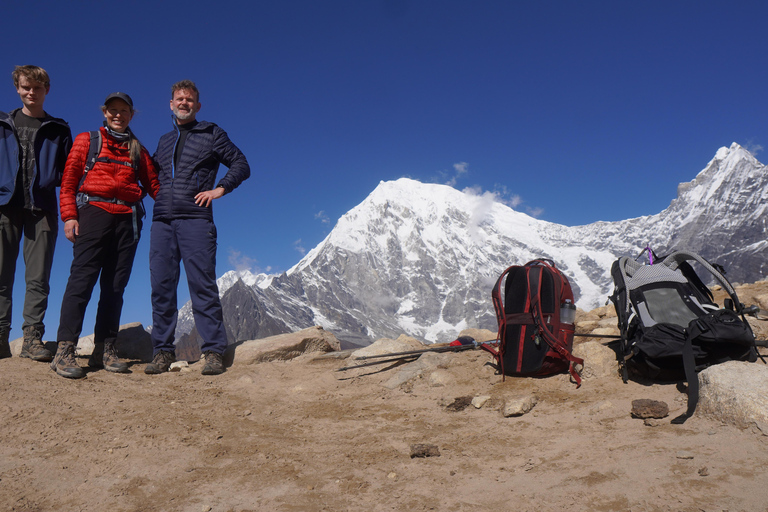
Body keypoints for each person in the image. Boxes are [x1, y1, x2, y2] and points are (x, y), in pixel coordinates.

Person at [50, 92, 160, 379]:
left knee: (115, 286)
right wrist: (69, 216)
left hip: (128, 219)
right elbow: (69, 181)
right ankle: (65, 349)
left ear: (131, 114)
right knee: (81, 281)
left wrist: (180, 206)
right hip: (93, 214)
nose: (118, 115)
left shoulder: (138, 149)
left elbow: (154, 186)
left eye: (124, 110)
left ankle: (105, 349)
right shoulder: (87, 141)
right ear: (104, 112)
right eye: (113, 110)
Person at [146, 80, 250, 376]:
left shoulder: (212, 133)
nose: (184, 103)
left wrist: (220, 189)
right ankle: (162, 353)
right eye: (179, 98)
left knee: (202, 285)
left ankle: (214, 352)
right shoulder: (165, 140)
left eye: (189, 99)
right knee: (161, 287)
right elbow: (152, 175)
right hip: (162, 221)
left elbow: (241, 164)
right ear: (171, 104)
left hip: (196, 219)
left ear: (197, 106)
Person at [0, 65, 72, 361]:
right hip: (5, 206)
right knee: (1, 275)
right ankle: (1, 338)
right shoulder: (3, 123)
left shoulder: (59, 128)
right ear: (17, 88)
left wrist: (72, 212)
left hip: (41, 209)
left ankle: (32, 338)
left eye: (37, 88)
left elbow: (69, 175)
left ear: (46, 90)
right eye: (26, 87)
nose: (31, 92)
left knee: (38, 277)